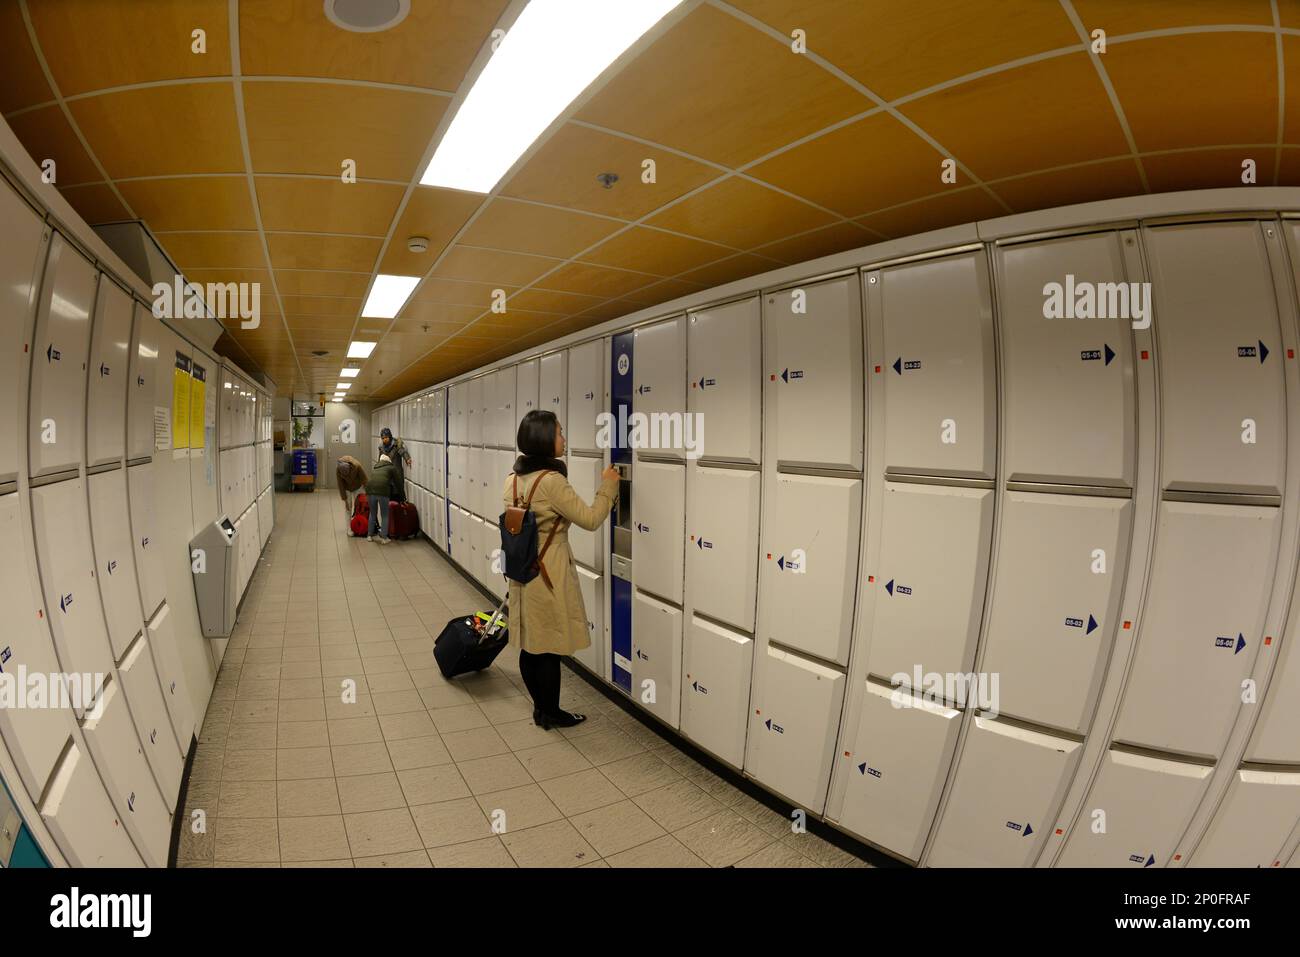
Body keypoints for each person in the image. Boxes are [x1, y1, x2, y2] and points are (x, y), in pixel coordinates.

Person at [503, 410, 619, 730]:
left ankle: (541, 709)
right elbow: (591, 518)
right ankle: (550, 712)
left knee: (531, 644)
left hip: (522, 570)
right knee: (550, 648)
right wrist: (608, 486)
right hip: (548, 571)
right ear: (544, 439)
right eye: (559, 433)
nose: (564, 438)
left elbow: (514, 526)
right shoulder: (551, 481)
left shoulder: (513, 479)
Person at [365, 453, 401, 544]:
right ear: (388, 461)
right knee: (384, 515)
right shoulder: (391, 468)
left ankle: (369, 535)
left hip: (370, 491)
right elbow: (398, 482)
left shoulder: (375, 467)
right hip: (383, 492)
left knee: (372, 514)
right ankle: (384, 538)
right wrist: (402, 495)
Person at [378, 427, 412, 501]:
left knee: (398, 493)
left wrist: (407, 458)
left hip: (397, 472)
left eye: (386, 437)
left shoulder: (396, 444)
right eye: (383, 438)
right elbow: (380, 459)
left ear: (389, 436)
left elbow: (402, 451)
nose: (384, 439)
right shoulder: (381, 447)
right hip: (387, 473)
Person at [336, 454, 367, 519]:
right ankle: (348, 527)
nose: (346, 476)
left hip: (358, 487)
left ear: (350, 468)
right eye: (344, 475)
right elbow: (340, 485)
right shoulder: (338, 469)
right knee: (348, 508)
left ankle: (358, 523)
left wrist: (368, 493)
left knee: (359, 506)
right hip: (347, 488)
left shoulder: (357, 465)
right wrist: (345, 501)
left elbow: (364, 479)